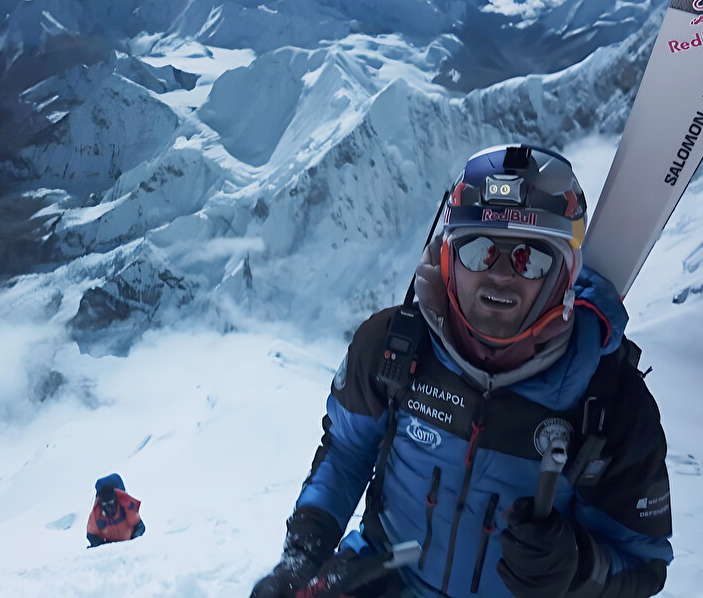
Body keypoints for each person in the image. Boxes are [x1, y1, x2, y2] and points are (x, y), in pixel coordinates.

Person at [252, 145, 673, 597]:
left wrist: (574, 566)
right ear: (448, 258)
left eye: (530, 259)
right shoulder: (393, 346)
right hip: (382, 581)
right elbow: (346, 455)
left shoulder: (610, 400)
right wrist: (301, 557)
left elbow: (643, 563)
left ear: (564, 275)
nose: (501, 276)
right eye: (479, 251)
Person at [87, 473, 145, 548]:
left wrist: (133, 542)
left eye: (111, 503)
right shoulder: (96, 514)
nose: (108, 507)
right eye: (105, 504)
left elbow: (139, 526)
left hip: (130, 546)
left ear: (115, 500)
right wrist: (105, 548)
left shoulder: (126, 505)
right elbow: (92, 535)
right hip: (110, 551)